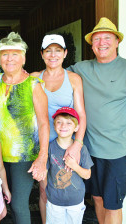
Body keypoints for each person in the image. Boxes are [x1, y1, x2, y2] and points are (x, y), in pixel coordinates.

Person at [67, 17, 126, 223]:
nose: (101, 43)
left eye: (107, 38)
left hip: (118, 152)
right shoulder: (81, 69)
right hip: (89, 149)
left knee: (112, 204)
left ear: (117, 42)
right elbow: (53, 74)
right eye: (96, 39)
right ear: (91, 45)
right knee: (96, 197)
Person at [0, 32, 50, 224]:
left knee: (18, 204)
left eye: (15, 54)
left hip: (23, 156)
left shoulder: (33, 85)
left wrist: (42, 156)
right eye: (5, 54)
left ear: (23, 57)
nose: (10, 59)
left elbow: (43, 123)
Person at [31, 34, 86, 223]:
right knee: (45, 190)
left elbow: (81, 114)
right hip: (43, 144)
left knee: (65, 188)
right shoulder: (33, 78)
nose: (53, 55)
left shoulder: (73, 79)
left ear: (65, 54)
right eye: (48, 51)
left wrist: (77, 144)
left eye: (57, 50)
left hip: (66, 144)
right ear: (42, 54)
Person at [46, 107, 93, 224]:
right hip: (54, 200)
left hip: (75, 201)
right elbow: (44, 172)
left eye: (68, 123)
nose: (63, 126)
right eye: (59, 122)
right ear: (54, 125)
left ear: (76, 127)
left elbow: (87, 175)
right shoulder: (50, 147)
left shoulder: (82, 149)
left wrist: (74, 166)